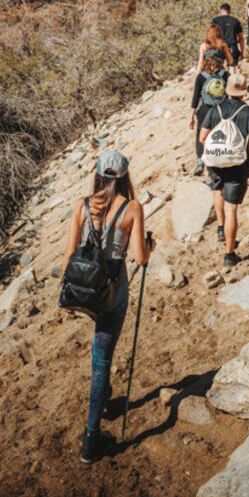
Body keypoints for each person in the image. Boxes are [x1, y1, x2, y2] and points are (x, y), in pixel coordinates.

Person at [62, 150, 153, 465]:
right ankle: (90, 440)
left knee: (100, 357)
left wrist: (66, 294)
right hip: (112, 293)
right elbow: (140, 259)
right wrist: (149, 247)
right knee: (101, 362)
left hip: (81, 290)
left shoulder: (82, 206)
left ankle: (102, 397)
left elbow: (70, 252)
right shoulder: (132, 208)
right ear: (125, 177)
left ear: (98, 175)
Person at [199, 73, 249, 266]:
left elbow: (202, 138)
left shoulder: (214, 109)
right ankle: (229, 255)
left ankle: (220, 227)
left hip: (215, 162)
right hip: (237, 165)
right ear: (244, 91)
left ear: (227, 89)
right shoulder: (248, 112)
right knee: (232, 208)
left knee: (218, 191)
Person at [190, 52, 229, 175]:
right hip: (221, 109)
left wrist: (191, 115)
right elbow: (230, 94)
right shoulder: (225, 75)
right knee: (221, 134)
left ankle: (200, 161)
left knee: (200, 135)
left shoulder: (201, 77)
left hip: (205, 110)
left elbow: (195, 97)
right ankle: (220, 159)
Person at [211, 3, 245, 69]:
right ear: (229, 11)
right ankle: (232, 78)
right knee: (232, 68)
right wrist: (242, 52)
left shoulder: (215, 21)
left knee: (218, 69)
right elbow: (241, 38)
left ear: (220, 11)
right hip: (232, 48)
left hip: (219, 47)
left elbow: (211, 36)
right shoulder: (235, 21)